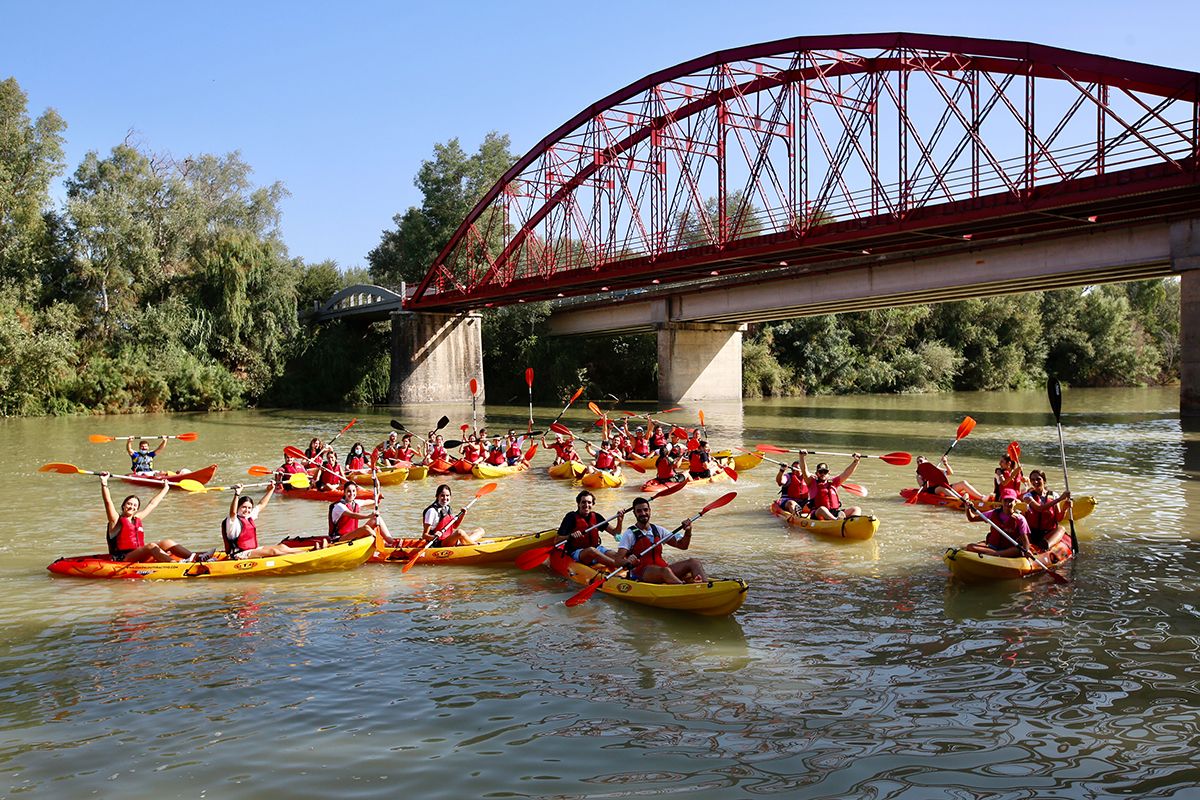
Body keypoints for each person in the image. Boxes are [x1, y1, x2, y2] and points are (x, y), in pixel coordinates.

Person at [100, 473, 193, 562]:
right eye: (129, 504)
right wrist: (104, 483)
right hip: (122, 557)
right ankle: (174, 565)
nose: (131, 507)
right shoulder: (115, 520)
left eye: (134, 505)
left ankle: (195, 557)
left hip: (139, 555)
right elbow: (108, 502)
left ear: (137, 509)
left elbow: (152, 504)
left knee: (167, 542)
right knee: (151, 546)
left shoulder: (137, 518)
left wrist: (165, 488)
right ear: (123, 506)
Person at [615, 496, 706, 584]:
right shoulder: (629, 534)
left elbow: (683, 546)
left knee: (694, 562)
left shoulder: (658, 530)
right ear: (634, 513)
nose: (643, 513)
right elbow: (618, 560)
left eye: (645, 510)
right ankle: (682, 587)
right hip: (642, 572)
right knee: (665, 571)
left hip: (663, 569)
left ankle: (706, 586)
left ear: (650, 511)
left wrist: (688, 531)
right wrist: (628, 561)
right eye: (639, 511)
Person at [222, 483, 312, 559]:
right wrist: (237, 494)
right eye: (244, 507)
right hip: (240, 554)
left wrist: (270, 490)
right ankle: (305, 556)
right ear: (238, 507)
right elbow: (232, 512)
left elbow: (261, 505)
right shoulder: (232, 521)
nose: (247, 510)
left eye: (249, 508)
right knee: (274, 551)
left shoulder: (248, 517)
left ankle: (310, 551)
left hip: (252, 550)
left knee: (282, 547)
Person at [556, 490, 624, 568]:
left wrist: (620, 521)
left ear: (592, 504)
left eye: (589, 502)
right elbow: (557, 540)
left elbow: (615, 533)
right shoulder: (570, 517)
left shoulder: (596, 516)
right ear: (578, 504)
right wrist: (570, 536)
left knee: (618, 555)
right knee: (591, 551)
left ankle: (627, 566)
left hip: (596, 548)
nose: (586, 505)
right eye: (583, 502)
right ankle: (616, 565)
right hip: (578, 552)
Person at [964, 487, 1032, 558]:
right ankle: (995, 554)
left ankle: (995, 554)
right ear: (1001, 500)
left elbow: (1025, 539)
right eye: (1005, 500)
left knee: (1019, 550)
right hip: (993, 547)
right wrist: (967, 509)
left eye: (1011, 500)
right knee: (970, 547)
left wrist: (1026, 550)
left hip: (1009, 549)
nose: (1008, 503)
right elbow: (972, 518)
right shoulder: (993, 513)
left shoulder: (1020, 519)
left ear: (1015, 502)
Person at [800, 451, 862, 520]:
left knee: (856, 509)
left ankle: (852, 522)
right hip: (818, 513)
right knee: (822, 509)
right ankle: (836, 521)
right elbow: (804, 470)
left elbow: (847, 473)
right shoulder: (811, 482)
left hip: (834, 512)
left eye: (825, 472)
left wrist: (856, 461)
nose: (823, 474)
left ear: (828, 473)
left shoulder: (834, 482)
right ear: (816, 473)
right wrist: (802, 457)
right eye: (820, 472)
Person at [1021, 470, 1072, 550]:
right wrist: (1060, 499)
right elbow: (1039, 508)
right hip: (1032, 532)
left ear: (1044, 481)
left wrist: (1064, 509)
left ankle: (1046, 545)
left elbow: (1058, 518)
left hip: (1048, 533)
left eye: (1038, 479)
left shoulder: (1054, 495)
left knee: (1061, 528)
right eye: (1033, 480)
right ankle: (1039, 545)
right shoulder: (1027, 496)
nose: (1035, 482)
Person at [914, 455, 984, 501]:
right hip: (933, 490)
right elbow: (924, 489)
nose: (919, 463)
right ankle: (960, 500)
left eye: (921, 461)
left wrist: (946, 464)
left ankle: (982, 497)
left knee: (963, 483)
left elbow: (950, 473)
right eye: (918, 462)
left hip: (944, 486)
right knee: (942, 488)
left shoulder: (934, 468)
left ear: (926, 461)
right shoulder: (919, 475)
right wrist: (926, 478)